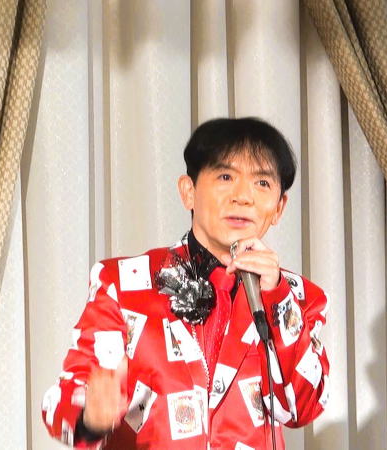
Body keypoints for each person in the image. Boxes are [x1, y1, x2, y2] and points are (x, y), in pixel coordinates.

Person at [42, 117, 330, 449]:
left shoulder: (299, 298)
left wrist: (276, 296)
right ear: (188, 192)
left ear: (279, 208)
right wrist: (90, 417)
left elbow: (303, 408)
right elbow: (64, 400)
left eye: (262, 183)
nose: (243, 197)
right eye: (225, 177)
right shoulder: (122, 285)